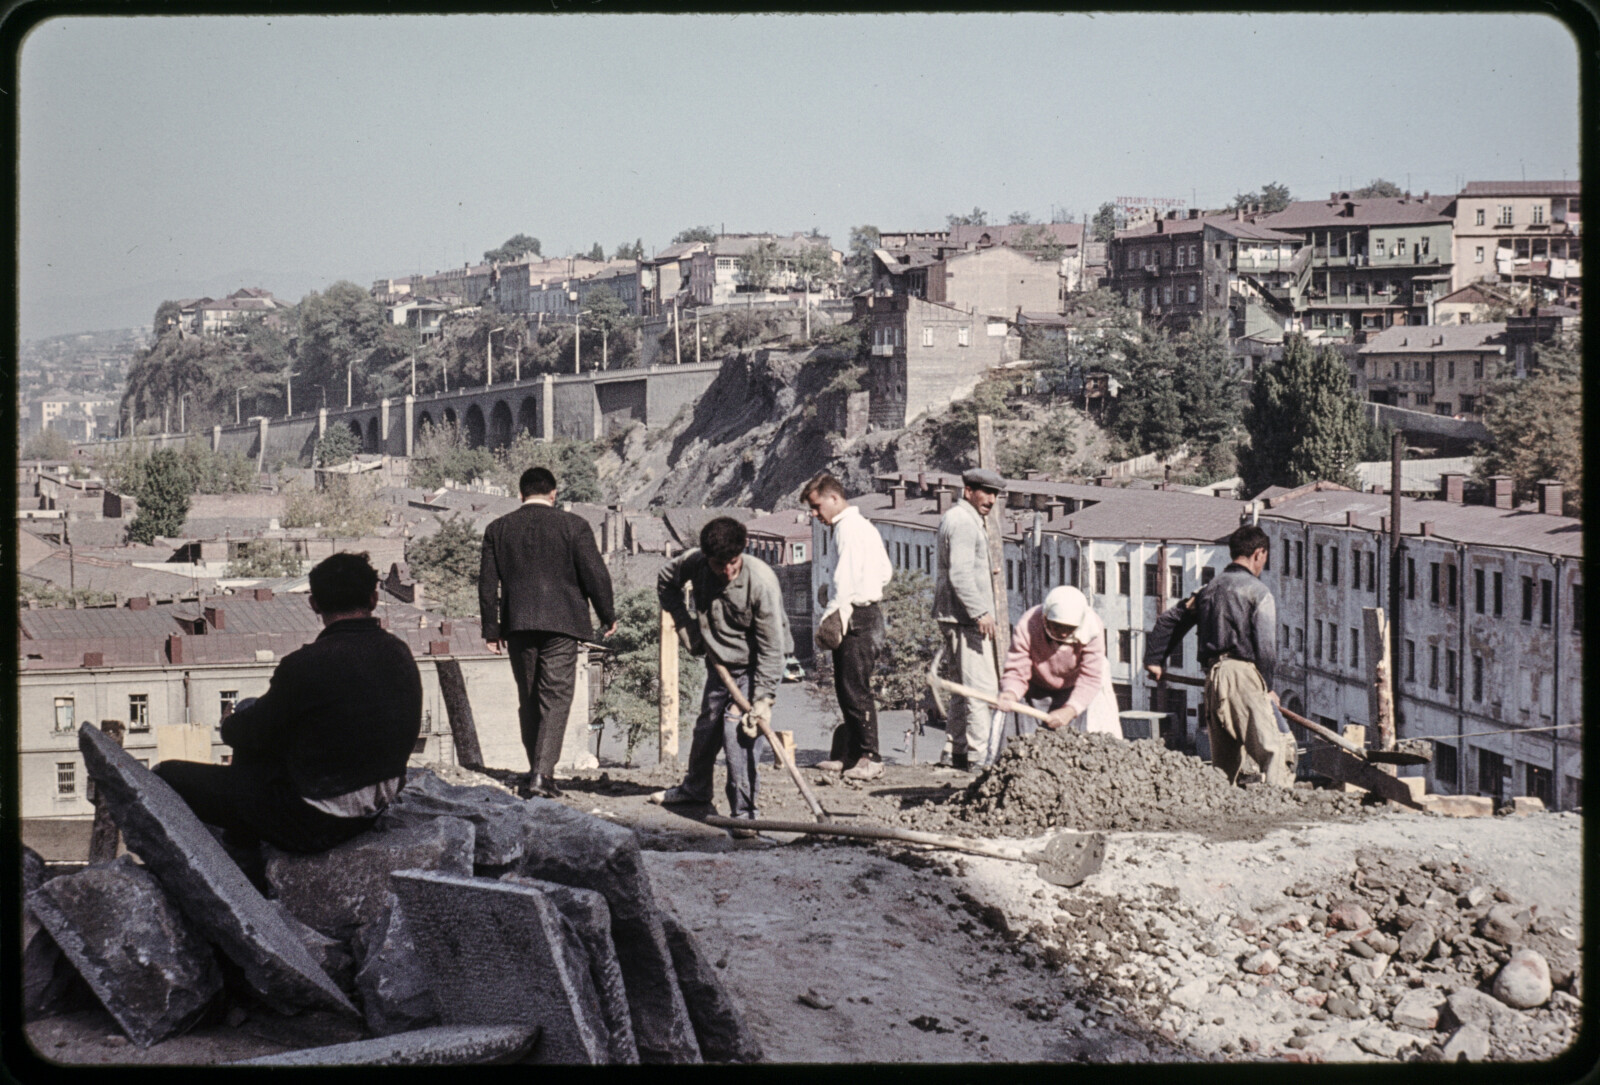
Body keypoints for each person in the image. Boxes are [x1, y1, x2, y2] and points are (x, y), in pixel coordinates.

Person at [154, 552, 422, 853]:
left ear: (314, 604)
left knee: (166, 775)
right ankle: (246, 850)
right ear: (374, 599)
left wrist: (229, 724)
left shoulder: (307, 664)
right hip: (377, 804)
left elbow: (245, 734)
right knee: (253, 713)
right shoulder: (399, 651)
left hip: (318, 820)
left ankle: (243, 864)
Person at [479, 466, 616, 800]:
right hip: (562, 623)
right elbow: (595, 575)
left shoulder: (497, 529)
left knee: (529, 698)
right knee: (554, 697)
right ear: (554, 494)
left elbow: (486, 584)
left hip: (518, 625)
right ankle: (542, 775)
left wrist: (491, 629)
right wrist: (607, 615)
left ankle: (535, 770)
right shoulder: (574, 526)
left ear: (521, 494)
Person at [649, 516, 788, 836]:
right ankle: (696, 789)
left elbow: (772, 650)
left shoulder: (761, 582)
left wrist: (763, 699)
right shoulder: (694, 563)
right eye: (719, 564)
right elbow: (665, 582)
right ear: (706, 557)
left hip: (756, 664)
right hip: (720, 661)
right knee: (708, 725)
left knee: (739, 730)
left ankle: (744, 813)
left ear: (743, 552)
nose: (727, 571)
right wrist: (685, 625)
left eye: (733, 563)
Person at [1143, 523, 1295, 788]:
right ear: (1259, 553)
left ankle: (1225, 814)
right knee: (1278, 750)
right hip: (1243, 676)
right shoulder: (1258, 592)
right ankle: (1279, 811)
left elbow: (1170, 620)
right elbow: (1267, 650)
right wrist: (1267, 688)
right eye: (1264, 559)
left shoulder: (1208, 590)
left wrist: (1155, 660)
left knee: (1225, 765)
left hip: (1213, 679)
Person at [803, 472, 893, 782]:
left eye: (816, 507)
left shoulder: (847, 530)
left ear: (834, 498)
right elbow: (884, 572)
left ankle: (871, 757)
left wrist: (830, 616)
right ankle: (852, 754)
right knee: (847, 687)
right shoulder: (862, 526)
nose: (815, 515)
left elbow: (843, 581)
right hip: (865, 611)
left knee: (855, 689)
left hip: (856, 615)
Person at [932, 468, 1006, 771]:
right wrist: (980, 612)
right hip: (966, 619)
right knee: (980, 689)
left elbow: (964, 567)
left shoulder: (963, 518)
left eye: (995, 494)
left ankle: (956, 750)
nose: (990, 499)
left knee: (962, 688)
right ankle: (979, 757)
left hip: (955, 616)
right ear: (968, 491)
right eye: (984, 492)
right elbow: (959, 574)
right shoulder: (964, 522)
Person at [995, 585, 1120, 758]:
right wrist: (1010, 693)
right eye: (1057, 626)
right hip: (1033, 688)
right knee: (1023, 749)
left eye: (1069, 628)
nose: (1062, 633)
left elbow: (1090, 677)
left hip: (1073, 691)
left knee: (1069, 752)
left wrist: (1070, 710)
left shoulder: (1093, 628)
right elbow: (1017, 668)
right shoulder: (1028, 624)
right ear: (1045, 618)